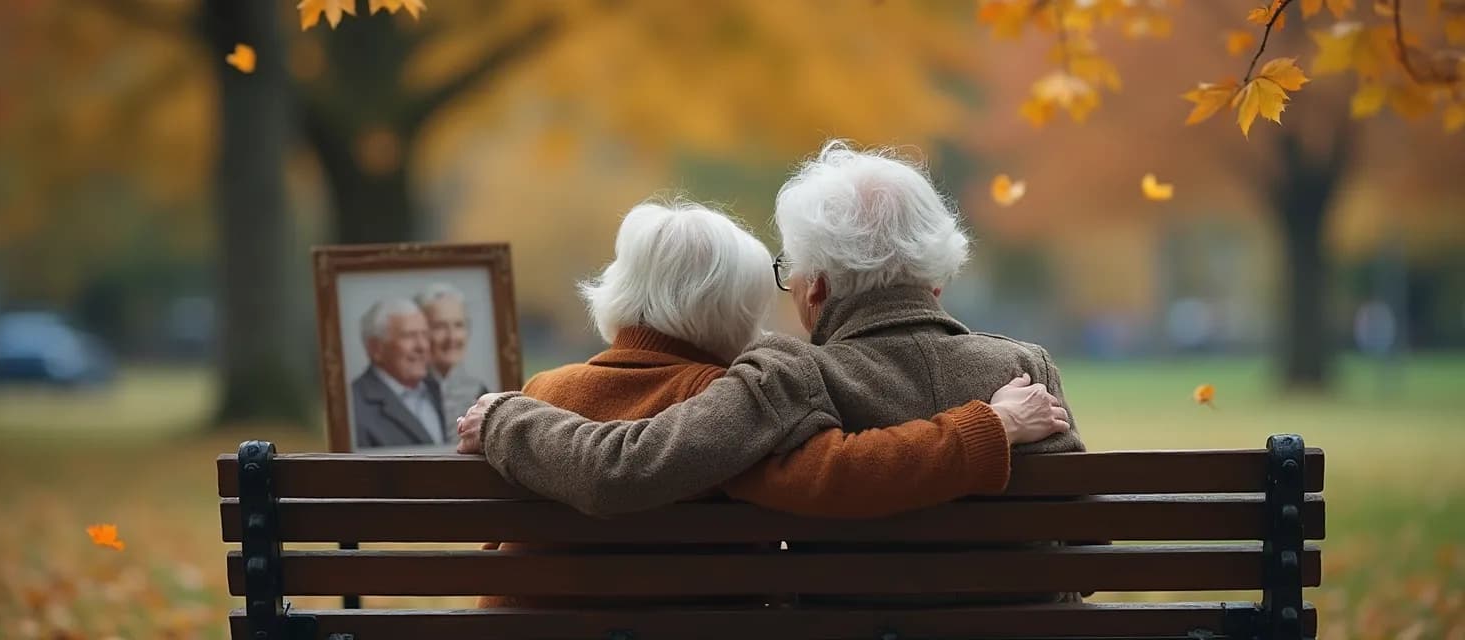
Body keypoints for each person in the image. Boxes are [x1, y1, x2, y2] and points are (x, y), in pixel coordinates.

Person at [474, 198, 1070, 609]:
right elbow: (835, 472)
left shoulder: (540, 395)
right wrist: (988, 426)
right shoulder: (721, 398)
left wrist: (504, 413)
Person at [457, 142, 1083, 519]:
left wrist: (508, 417)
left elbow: (625, 470)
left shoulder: (785, 376)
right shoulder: (1025, 369)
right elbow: (1085, 542)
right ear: (936, 279)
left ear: (815, 288)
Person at [349, 298, 450, 449]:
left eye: (425, 335)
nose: (422, 346)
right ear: (376, 348)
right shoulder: (352, 408)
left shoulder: (443, 390)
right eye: (409, 336)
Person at [415, 283, 491, 428]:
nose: (451, 337)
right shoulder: (408, 394)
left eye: (458, 325)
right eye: (439, 326)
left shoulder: (479, 393)